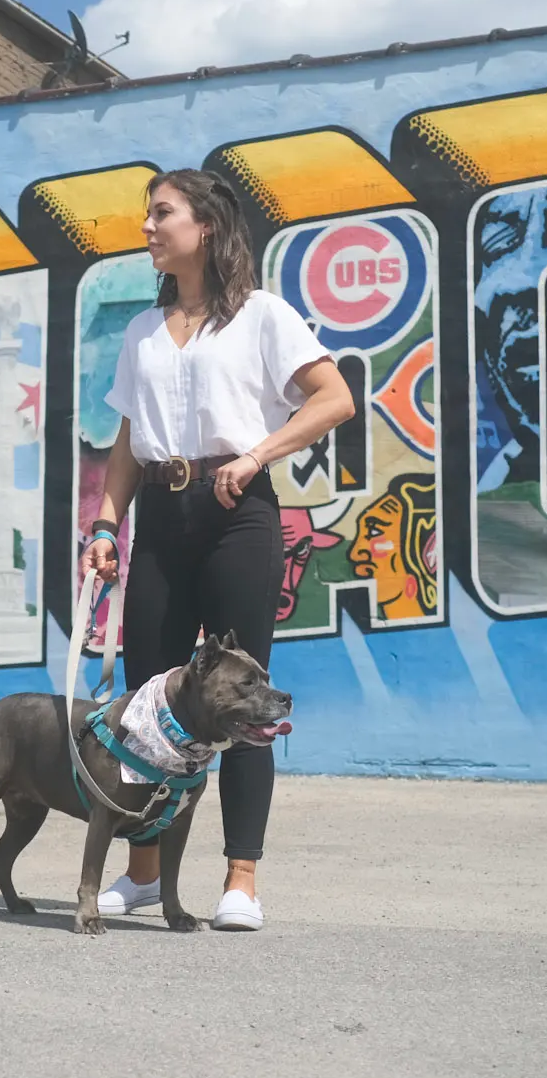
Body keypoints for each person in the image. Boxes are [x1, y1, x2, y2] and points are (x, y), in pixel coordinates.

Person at [81, 168, 354, 931]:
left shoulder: (263, 315)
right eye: (147, 215)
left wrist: (260, 453)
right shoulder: (140, 333)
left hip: (238, 515)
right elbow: (130, 441)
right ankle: (143, 872)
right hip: (162, 523)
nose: (147, 228)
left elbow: (335, 397)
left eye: (160, 214)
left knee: (241, 705)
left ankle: (241, 878)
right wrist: (106, 526)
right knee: (147, 708)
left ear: (204, 225)